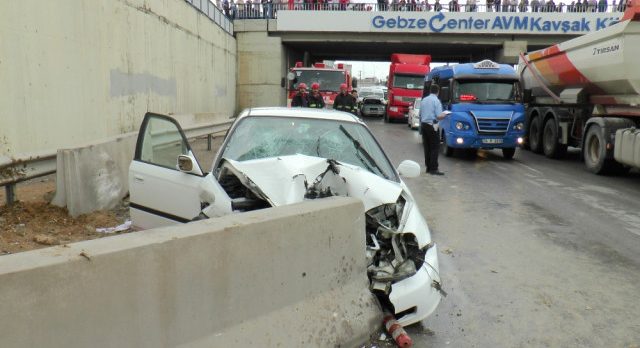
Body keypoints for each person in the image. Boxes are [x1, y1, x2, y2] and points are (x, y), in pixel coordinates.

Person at [420, 84, 447, 175]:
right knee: (435, 147)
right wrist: (445, 114)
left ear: (430, 91)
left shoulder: (424, 100)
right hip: (432, 126)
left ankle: (428, 167)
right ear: (438, 91)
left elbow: (420, 113)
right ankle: (434, 169)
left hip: (424, 125)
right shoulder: (436, 101)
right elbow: (439, 116)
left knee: (427, 148)